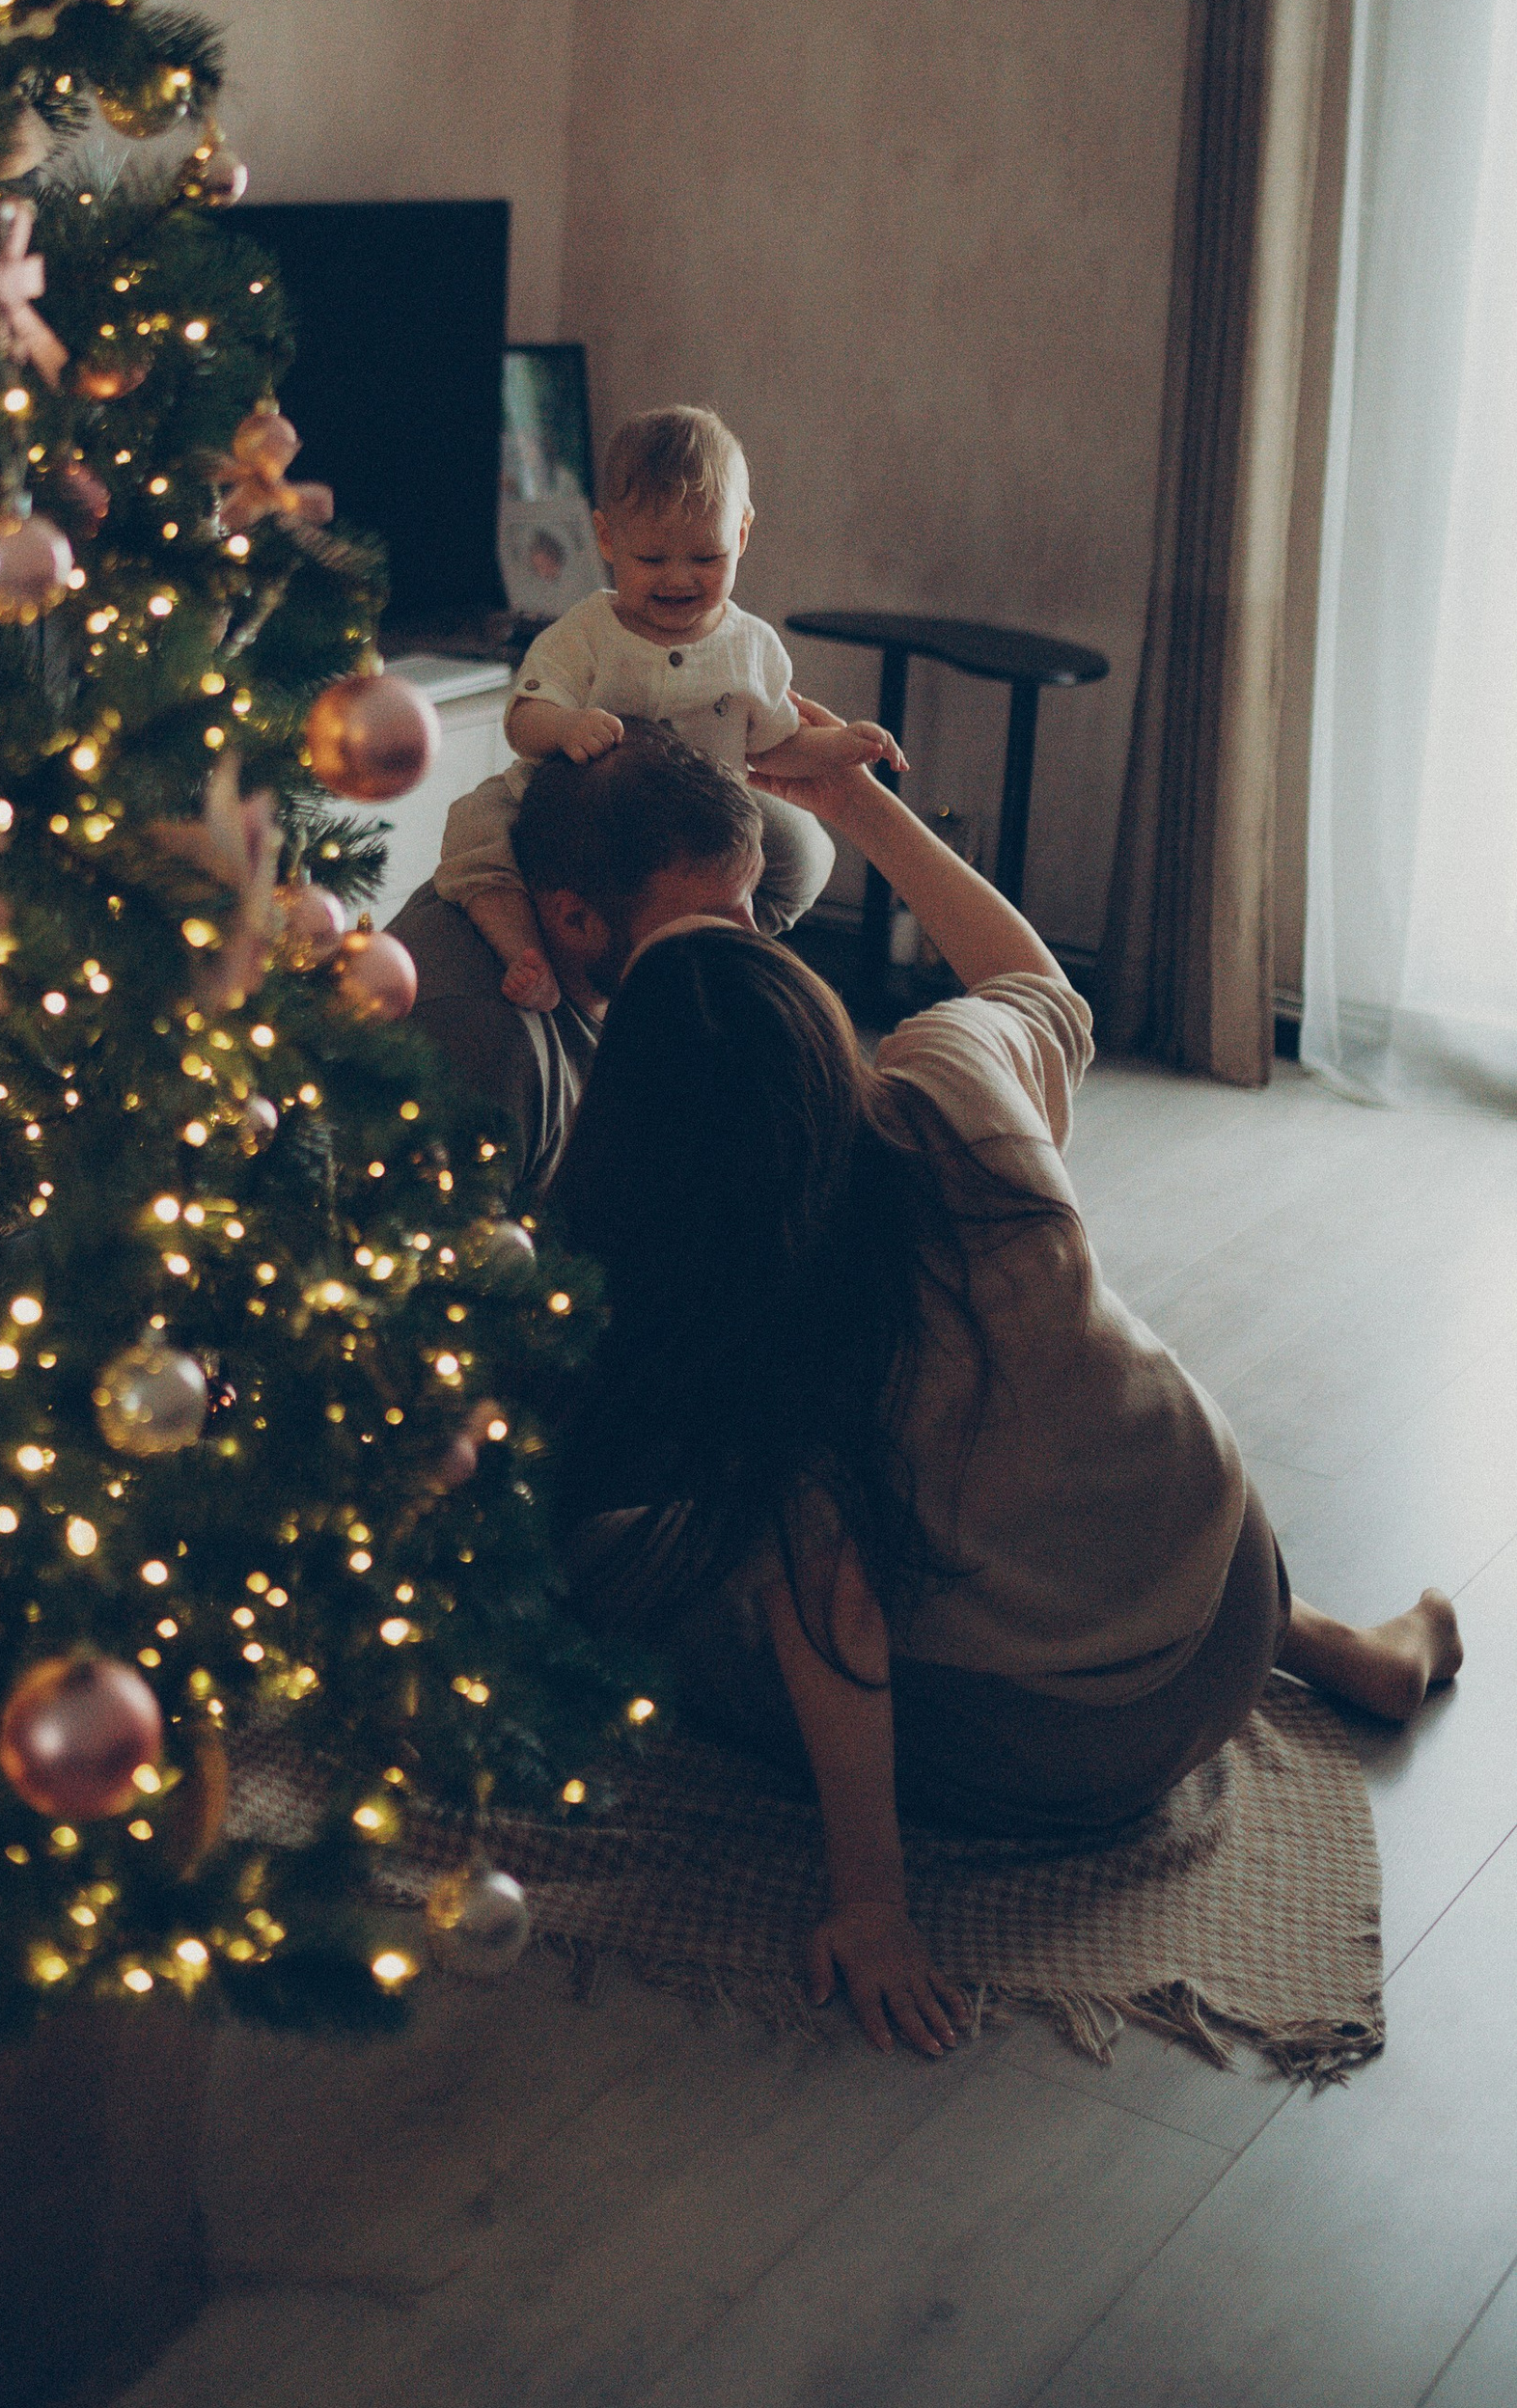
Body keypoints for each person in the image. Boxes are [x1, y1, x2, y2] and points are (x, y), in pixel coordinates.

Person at [551, 747, 1465, 2065]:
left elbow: (837, 1611)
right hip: (1231, 1578)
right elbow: (1035, 979)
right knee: (1052, 1436)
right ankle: (1336, 1649)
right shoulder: (951, 1080)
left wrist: (872, 1906)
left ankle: (1314, 1656)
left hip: (1084, 1755)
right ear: (814, 1014)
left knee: (645, 1570)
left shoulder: (748, 1328)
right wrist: (857, 804)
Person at [434, 403, 899, 1011]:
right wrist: (567, 726)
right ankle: (524, 949)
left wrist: (842, 745)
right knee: (474, 824)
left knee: (809, 850)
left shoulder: (751, 645)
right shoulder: (586, 632)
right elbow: (524, 719)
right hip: (582, 816)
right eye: (651, 560)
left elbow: (775, 744)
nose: (678, 578)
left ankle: (720, 935)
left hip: (709, 822)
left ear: (741, 534)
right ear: (607, 539)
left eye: (705, 559)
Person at [391, 723, 764, 1203]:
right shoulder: (486, 1048)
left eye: (748, 899)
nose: (754, 937)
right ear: (575, 920)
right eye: (713, 919)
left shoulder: (635, 916)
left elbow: (804, 862)